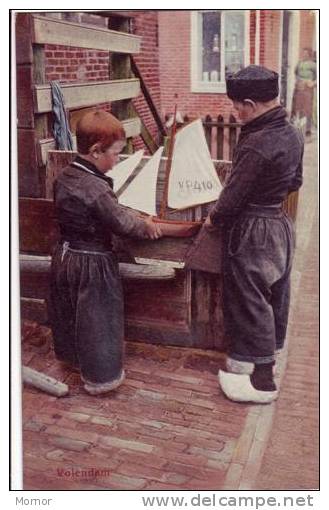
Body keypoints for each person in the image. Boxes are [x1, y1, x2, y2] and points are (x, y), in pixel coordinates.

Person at [205, 65, 304, 404]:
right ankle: (259, 365)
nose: (234, 112)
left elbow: (232, 197)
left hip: (252, 230)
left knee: (249, 300)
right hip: (279, 225)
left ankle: (261, 382)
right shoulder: (292, 134)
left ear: (250, 103)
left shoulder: (257, 142)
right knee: (274, 295)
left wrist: (213, 219)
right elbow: (295, 183)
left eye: (236, 106)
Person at [50, 110, 162, 395]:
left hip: (65, 257)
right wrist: (145, 225)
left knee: (72, 313)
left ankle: (75, 362)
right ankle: (101, 378)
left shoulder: (65, 177)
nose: (118, 160)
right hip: (93, 263)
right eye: (115, 153)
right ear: (96, 151)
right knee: (98, 320)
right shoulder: (97, 188)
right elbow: (121, 223)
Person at [291, 48, 317, 136]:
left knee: (307, 108)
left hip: (308, 88)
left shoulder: (314, 65)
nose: (304, 55)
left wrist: (313, 83)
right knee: (298, 107)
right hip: (299, 87)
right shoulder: (299, 63)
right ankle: (298, 127)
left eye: (306, 53)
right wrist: (299, 81)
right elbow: (296, 73)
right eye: (303, 53)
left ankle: (307, 129)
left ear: (309, 55)